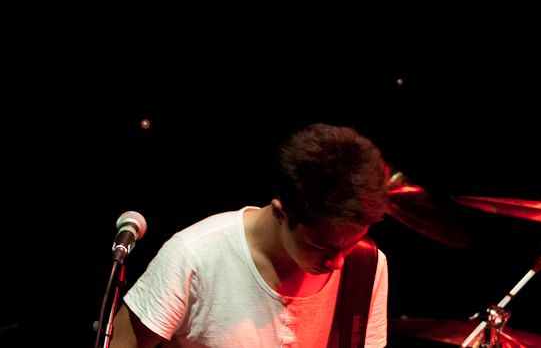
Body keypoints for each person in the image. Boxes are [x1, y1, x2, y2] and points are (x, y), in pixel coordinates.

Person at [113, 123, 391, 348]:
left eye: (350, 245)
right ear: (281, 213)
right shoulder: (194, 256)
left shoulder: (367, 266)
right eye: (321, 247)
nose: (337, 263)